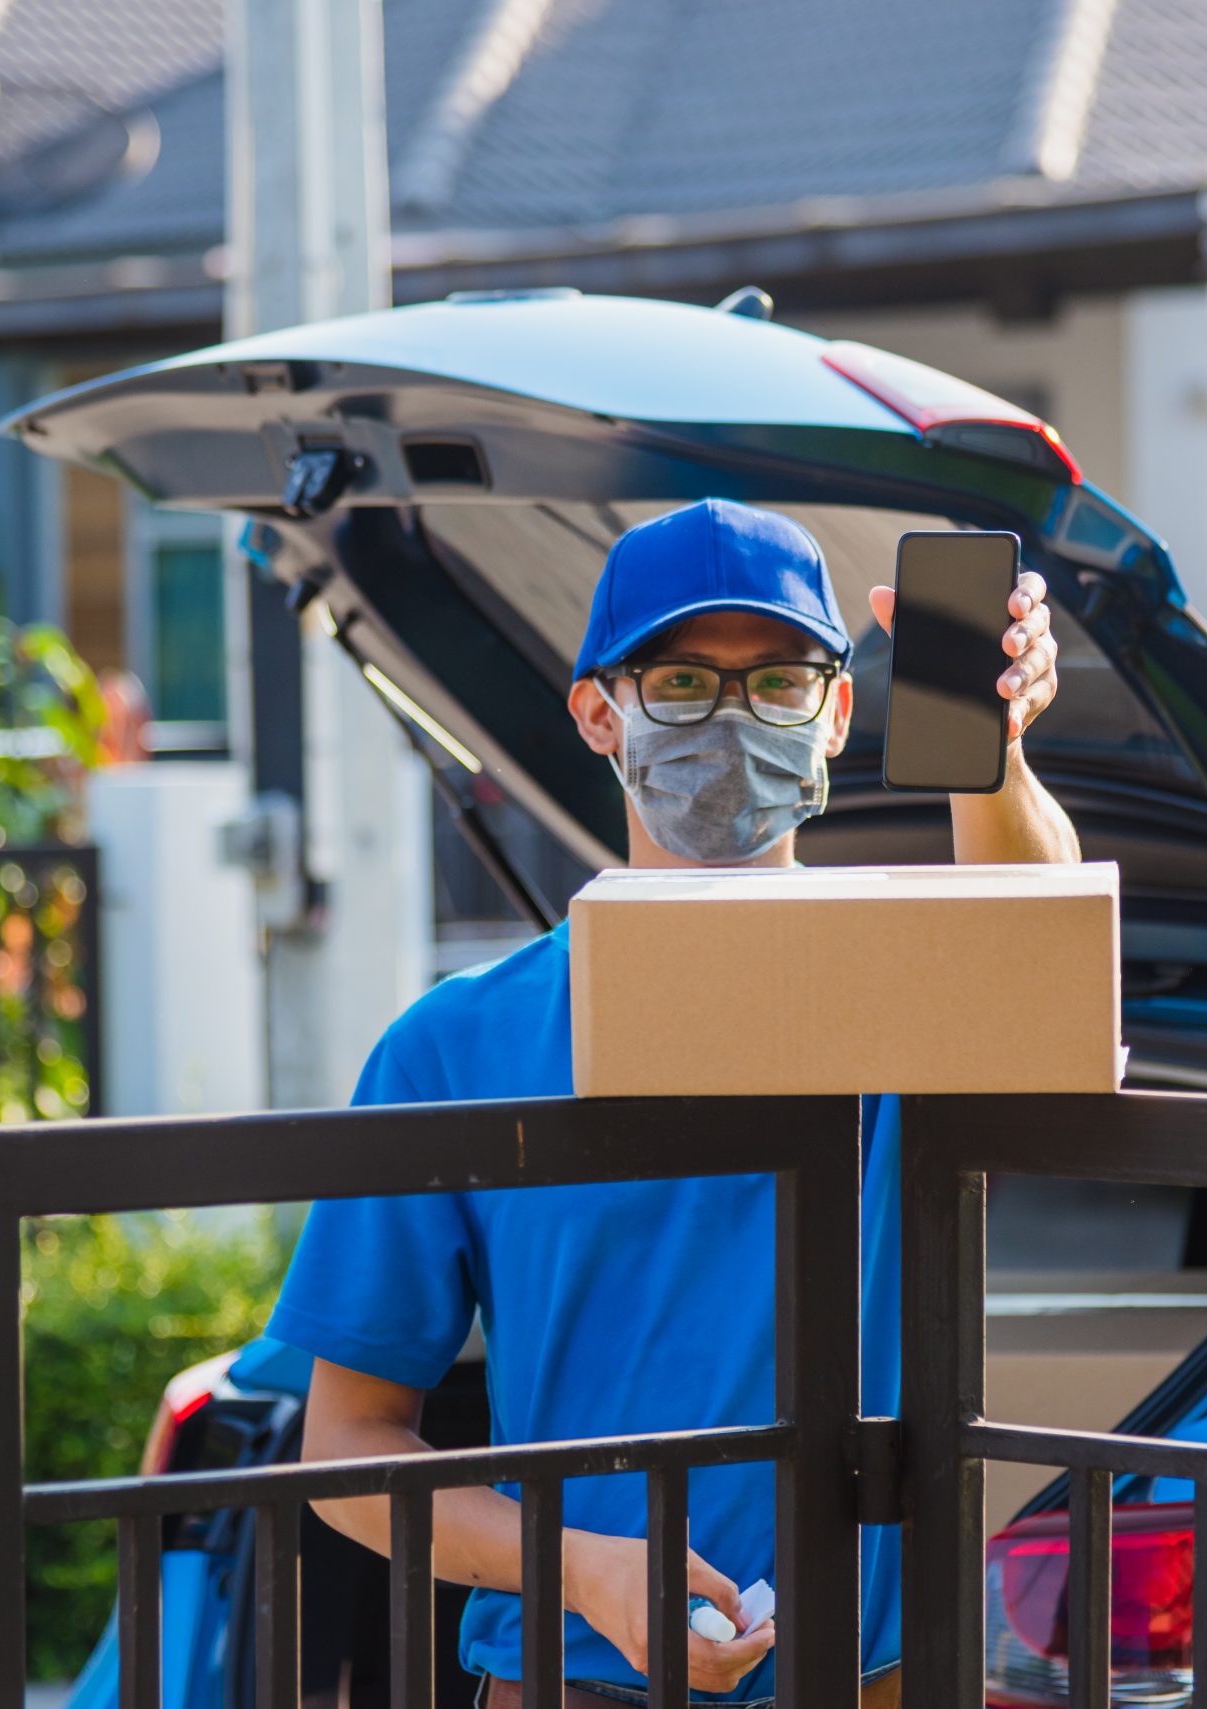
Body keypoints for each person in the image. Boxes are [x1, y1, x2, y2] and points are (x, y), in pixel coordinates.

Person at [263, 499, 1077, 1708]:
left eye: (782, 680)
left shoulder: (911, 987)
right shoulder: (451, 1045)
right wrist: (581, 1570)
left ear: (839, 714)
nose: (734, 717)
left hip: (877, 1680)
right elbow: (342, 1451)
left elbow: (1038, 947)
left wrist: (994, 746)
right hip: (572, 1681)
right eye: (684, 680)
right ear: (599, 712)